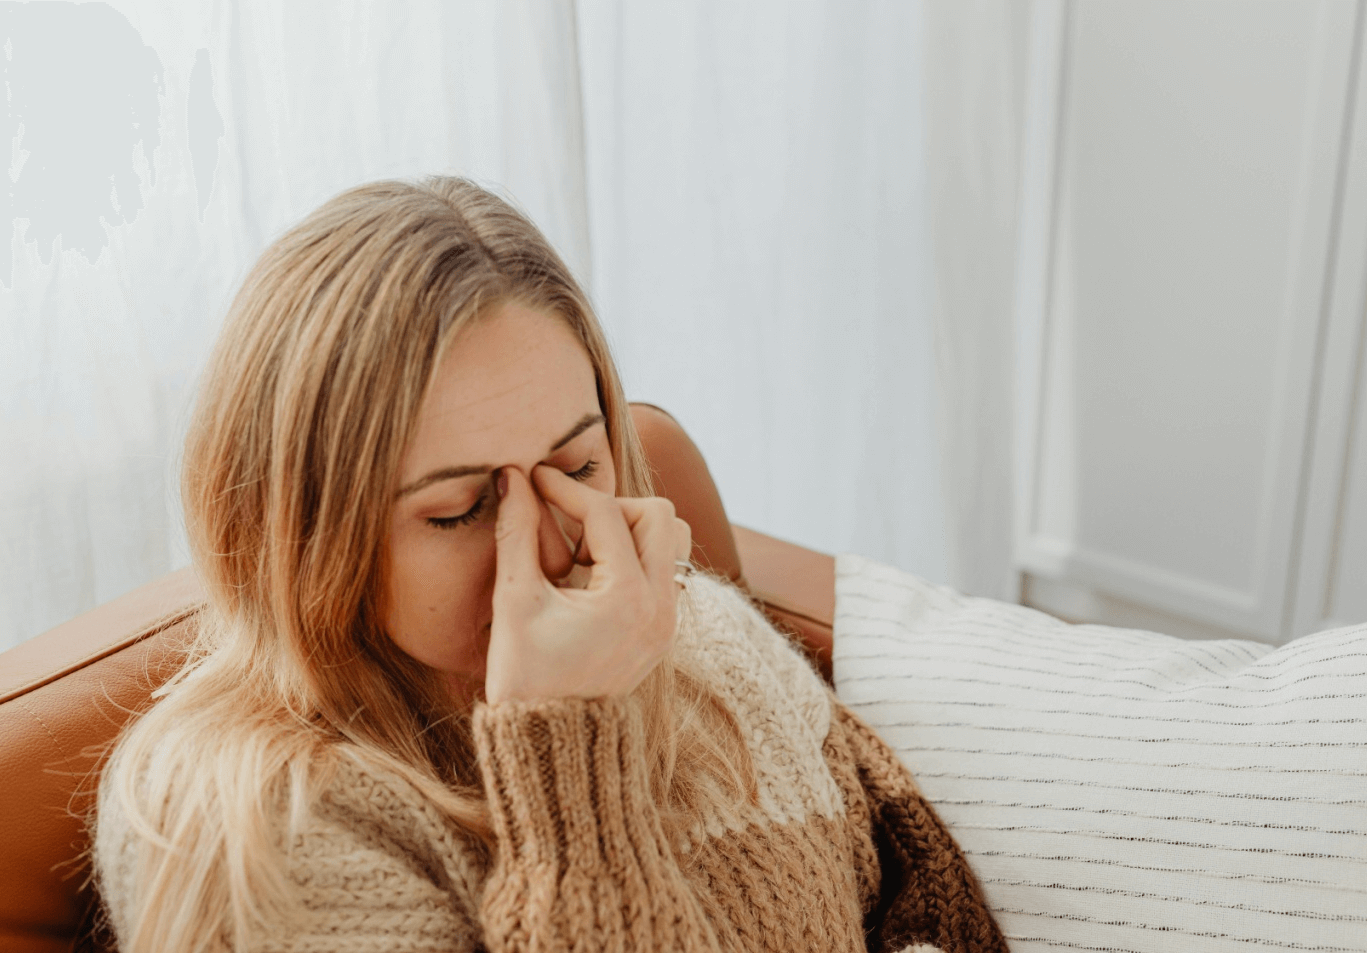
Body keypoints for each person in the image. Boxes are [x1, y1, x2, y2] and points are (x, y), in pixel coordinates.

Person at [92, 177, 1007, 953]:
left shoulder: (704, 635)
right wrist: (565, 744)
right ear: (302, 536)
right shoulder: (247, 830)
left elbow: (918, 881)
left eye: (576, 468)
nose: (551, 545)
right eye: (460, 509)